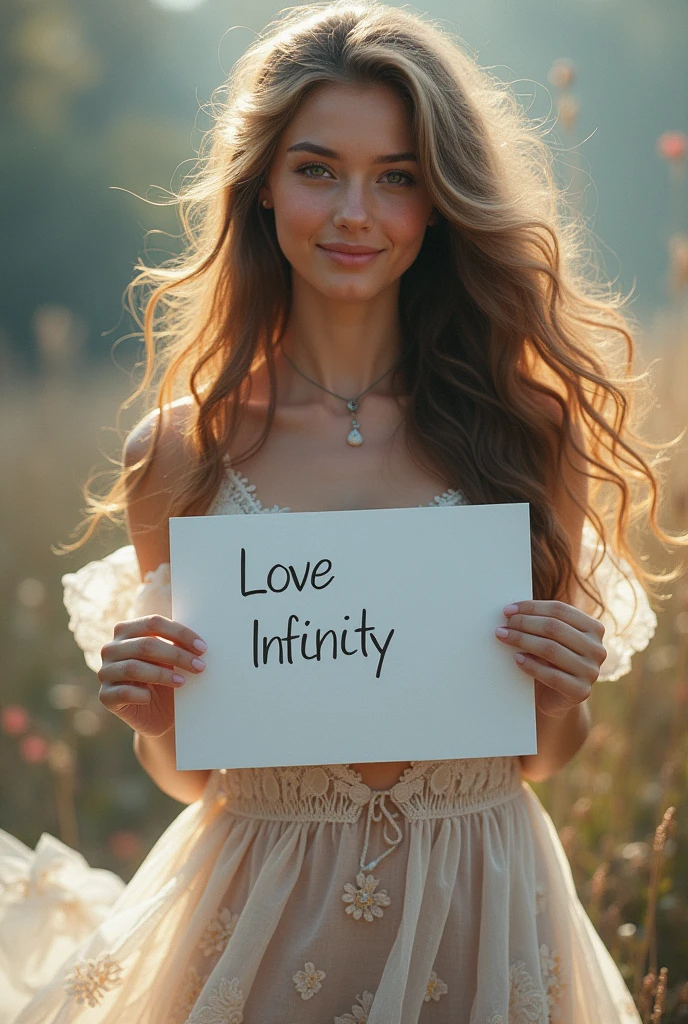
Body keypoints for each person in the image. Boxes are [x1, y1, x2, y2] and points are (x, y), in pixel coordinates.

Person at [0, 2, 681, 1021]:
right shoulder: (182, 451)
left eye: (396, 177)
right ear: (263, 186)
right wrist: (153, 718)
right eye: (318, 169)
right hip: (259, 912)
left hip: (479, 897)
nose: (355, 212)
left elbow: (542, 752)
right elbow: (192, 776)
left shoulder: (527, 429)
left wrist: (562, 687)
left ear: (439, 201)